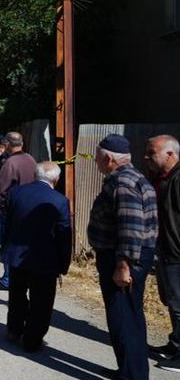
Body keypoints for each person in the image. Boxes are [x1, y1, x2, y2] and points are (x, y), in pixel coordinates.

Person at [88, 134, 158, 380]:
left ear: (108, 159)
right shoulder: (130, 178)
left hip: (122, 260)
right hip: (126, 257)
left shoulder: (124, 183)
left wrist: (123, 265)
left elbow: (130, 228)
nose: (95, 162)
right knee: (130, 316)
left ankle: (132, 375)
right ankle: (131, 370)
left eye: (97, 158)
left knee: (123, 319)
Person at [4, 161, 72, 352]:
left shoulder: (16, 193)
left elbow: (8, 223)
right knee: (41, 301)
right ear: (56, 180)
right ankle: (32, 339)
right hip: (45, 259)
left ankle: (14, 330)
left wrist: (6, 248)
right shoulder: (59, 200)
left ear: (36, 175)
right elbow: (64, 235)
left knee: (17, 294)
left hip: (17, 256)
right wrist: (63, 263)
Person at [144, 135, 180, 371]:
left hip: (177, 253)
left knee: (179, 303)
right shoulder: (160, 178)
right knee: (170, 301)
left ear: (170, 154)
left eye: (152, 153)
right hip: (165, 250)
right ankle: (175, 343)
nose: (146, 157)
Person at [0, 132, 37, 290]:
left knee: (6, 244)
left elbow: (1, 190)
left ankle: (8, 280)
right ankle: (22, 277)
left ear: (7, 144)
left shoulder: (9, 163)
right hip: (28, 209)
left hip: (9, 211)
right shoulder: (31, 159)